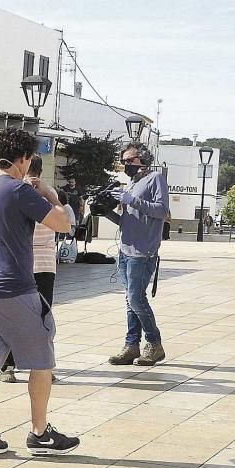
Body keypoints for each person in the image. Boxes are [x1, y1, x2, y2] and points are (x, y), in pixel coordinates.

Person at [0, 128, 78, 458]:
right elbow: (63, 223)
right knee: (42, 359)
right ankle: (40, 432)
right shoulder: (20, 191)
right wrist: (48, 192)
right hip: (15, 287)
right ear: (23, 159)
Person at [104, 143, 170, 366]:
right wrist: (105, 211)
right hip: (125, 248)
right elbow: (127, 220)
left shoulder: (155, 179)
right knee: (130, 299)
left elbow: (162, 211)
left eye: (130, 160)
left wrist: (132, 200)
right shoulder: (132, 183)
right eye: (123, 161)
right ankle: (132, 345)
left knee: (136, 298)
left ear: (144, 159)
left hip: (143, 250)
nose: (126, 165)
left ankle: (154, 343)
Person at [0, 156, 58, 383]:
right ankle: (17, 365)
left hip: (33, 263)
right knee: (32, 317)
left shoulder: (36, 192)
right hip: (33, 263)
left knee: (29, 316)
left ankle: (29, 366)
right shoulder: (24, 192)